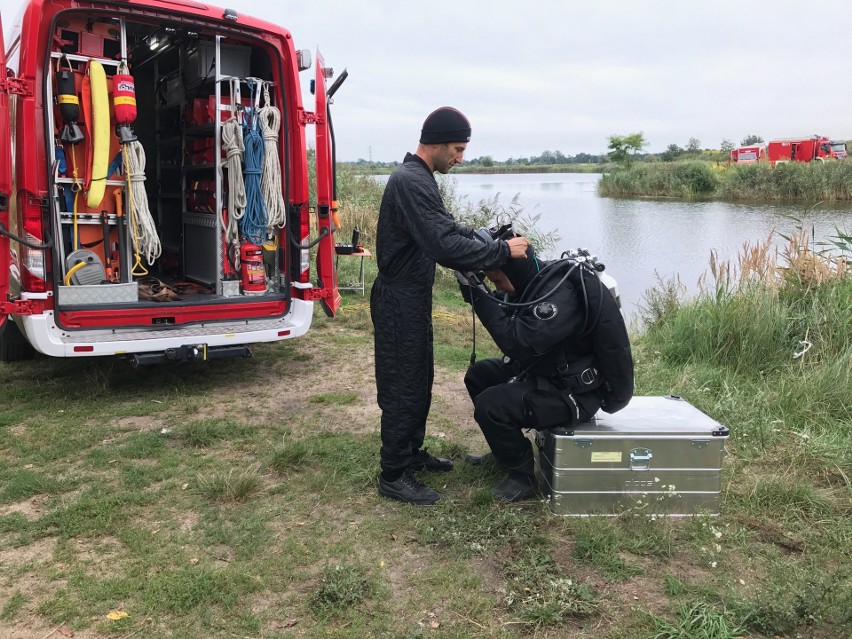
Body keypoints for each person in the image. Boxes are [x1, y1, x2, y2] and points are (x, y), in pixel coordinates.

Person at [371, 107, 531, 506]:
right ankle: (394, 474)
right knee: (403, 384)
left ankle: (410, 453)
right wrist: (499, 250)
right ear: (438, 143)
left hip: (412, 296)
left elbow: (447, 228)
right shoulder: (411, 180)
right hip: (398, 299)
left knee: (420, 376)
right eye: (458, 149)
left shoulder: (420, 178)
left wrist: (479, 239)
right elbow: (443, 245)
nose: (461, 157)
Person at [459, 240, 634, 501]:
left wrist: (479, 298)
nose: (498, 286)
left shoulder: (558, 296)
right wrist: (478, 288)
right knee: (479, 376)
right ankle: (506, 450)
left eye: (497, 281)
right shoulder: (534, 283)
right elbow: (507, 304)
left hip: (575, 394)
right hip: (546, 373)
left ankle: (522, 477)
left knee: (490, 405)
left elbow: (518, 343)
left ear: (513, 272)